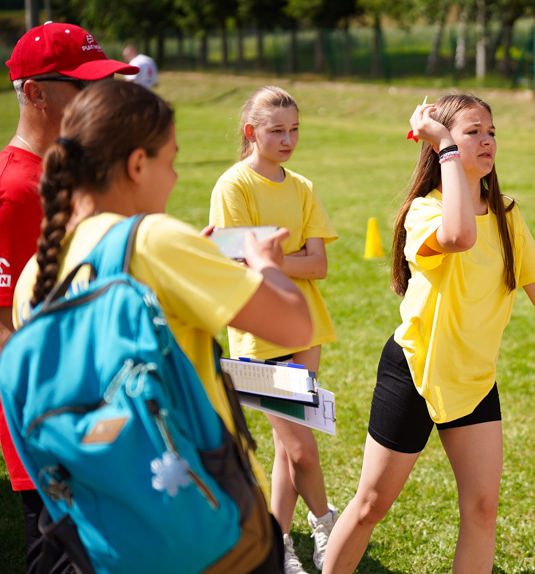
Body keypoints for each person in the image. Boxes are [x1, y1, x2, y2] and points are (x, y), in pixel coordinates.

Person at [322, 94, 535, 574]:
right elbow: (460, 236)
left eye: (491, 132)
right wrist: (445, 146)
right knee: (370, 507)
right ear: (440, 147)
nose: (487, 141)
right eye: (472, 133)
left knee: (483, 510)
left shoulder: (506, 214)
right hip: (416, 371)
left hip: (474, 378)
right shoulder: (427, 211)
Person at [13, 80, 312, 573]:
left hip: (101, 528)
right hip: (204, 521)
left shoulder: (37, 272)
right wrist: (266, 264)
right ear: (136, 164)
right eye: (170, 162)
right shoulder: (156, 239)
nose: (174, 178)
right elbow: (294, 325)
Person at [0, 21, 136, 574]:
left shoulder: (68, 173)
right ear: (35, 93)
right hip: (56, 439)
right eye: (86, 87)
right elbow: (2, 340)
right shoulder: (9, 191)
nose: (100, 100)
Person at [210, 86, 339, 574]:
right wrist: (286, 258)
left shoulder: (301, 185)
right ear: (251, 133)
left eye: (294, 129)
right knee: (302, 448)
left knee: (292, 448)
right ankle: (328, 525)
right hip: (257, 330)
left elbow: (320, 264)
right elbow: (239, 261)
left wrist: (271, 256)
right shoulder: (233, 186)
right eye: (277, 130)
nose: (288, 139)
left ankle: (278, 545)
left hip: (305, 328)